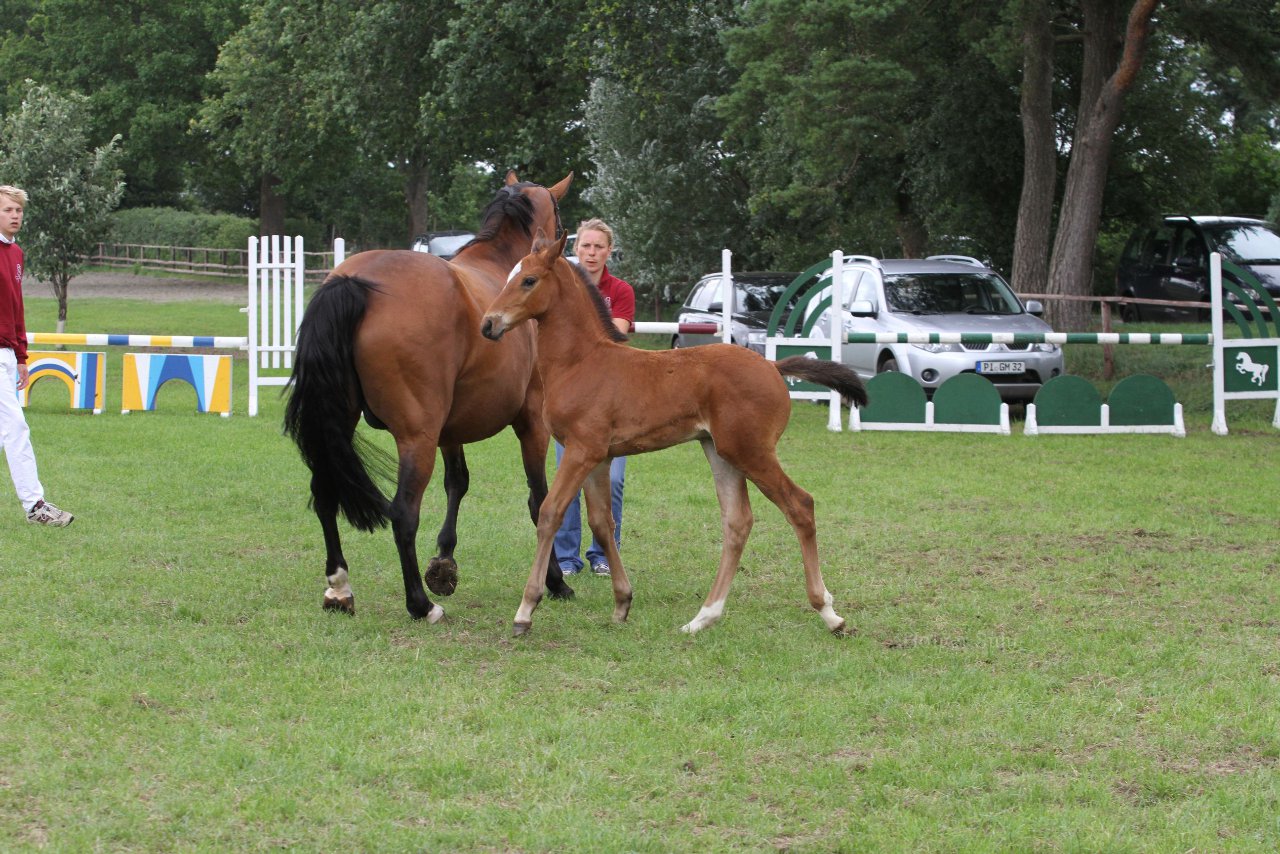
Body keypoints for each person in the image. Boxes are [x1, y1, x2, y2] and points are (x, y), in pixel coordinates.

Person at [554, 218, 634, 575]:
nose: (591, 252)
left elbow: (614, 335)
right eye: (586, 245)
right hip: (572, 399)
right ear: (575, 248)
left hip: (612, 399)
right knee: (568, 478)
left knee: (613, 480)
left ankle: (604, 554)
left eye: (598, 246)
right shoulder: (561, 285)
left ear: (609, 251)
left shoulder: (620, 290)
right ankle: (566, 558)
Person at [0, 185, 74, 526]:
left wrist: (21, 355)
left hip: (6, 354)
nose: (15, 216)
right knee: (16, 428)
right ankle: (35, 506)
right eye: (7, 210)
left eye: (18, 211)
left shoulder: (16, 254)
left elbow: (16, 308)